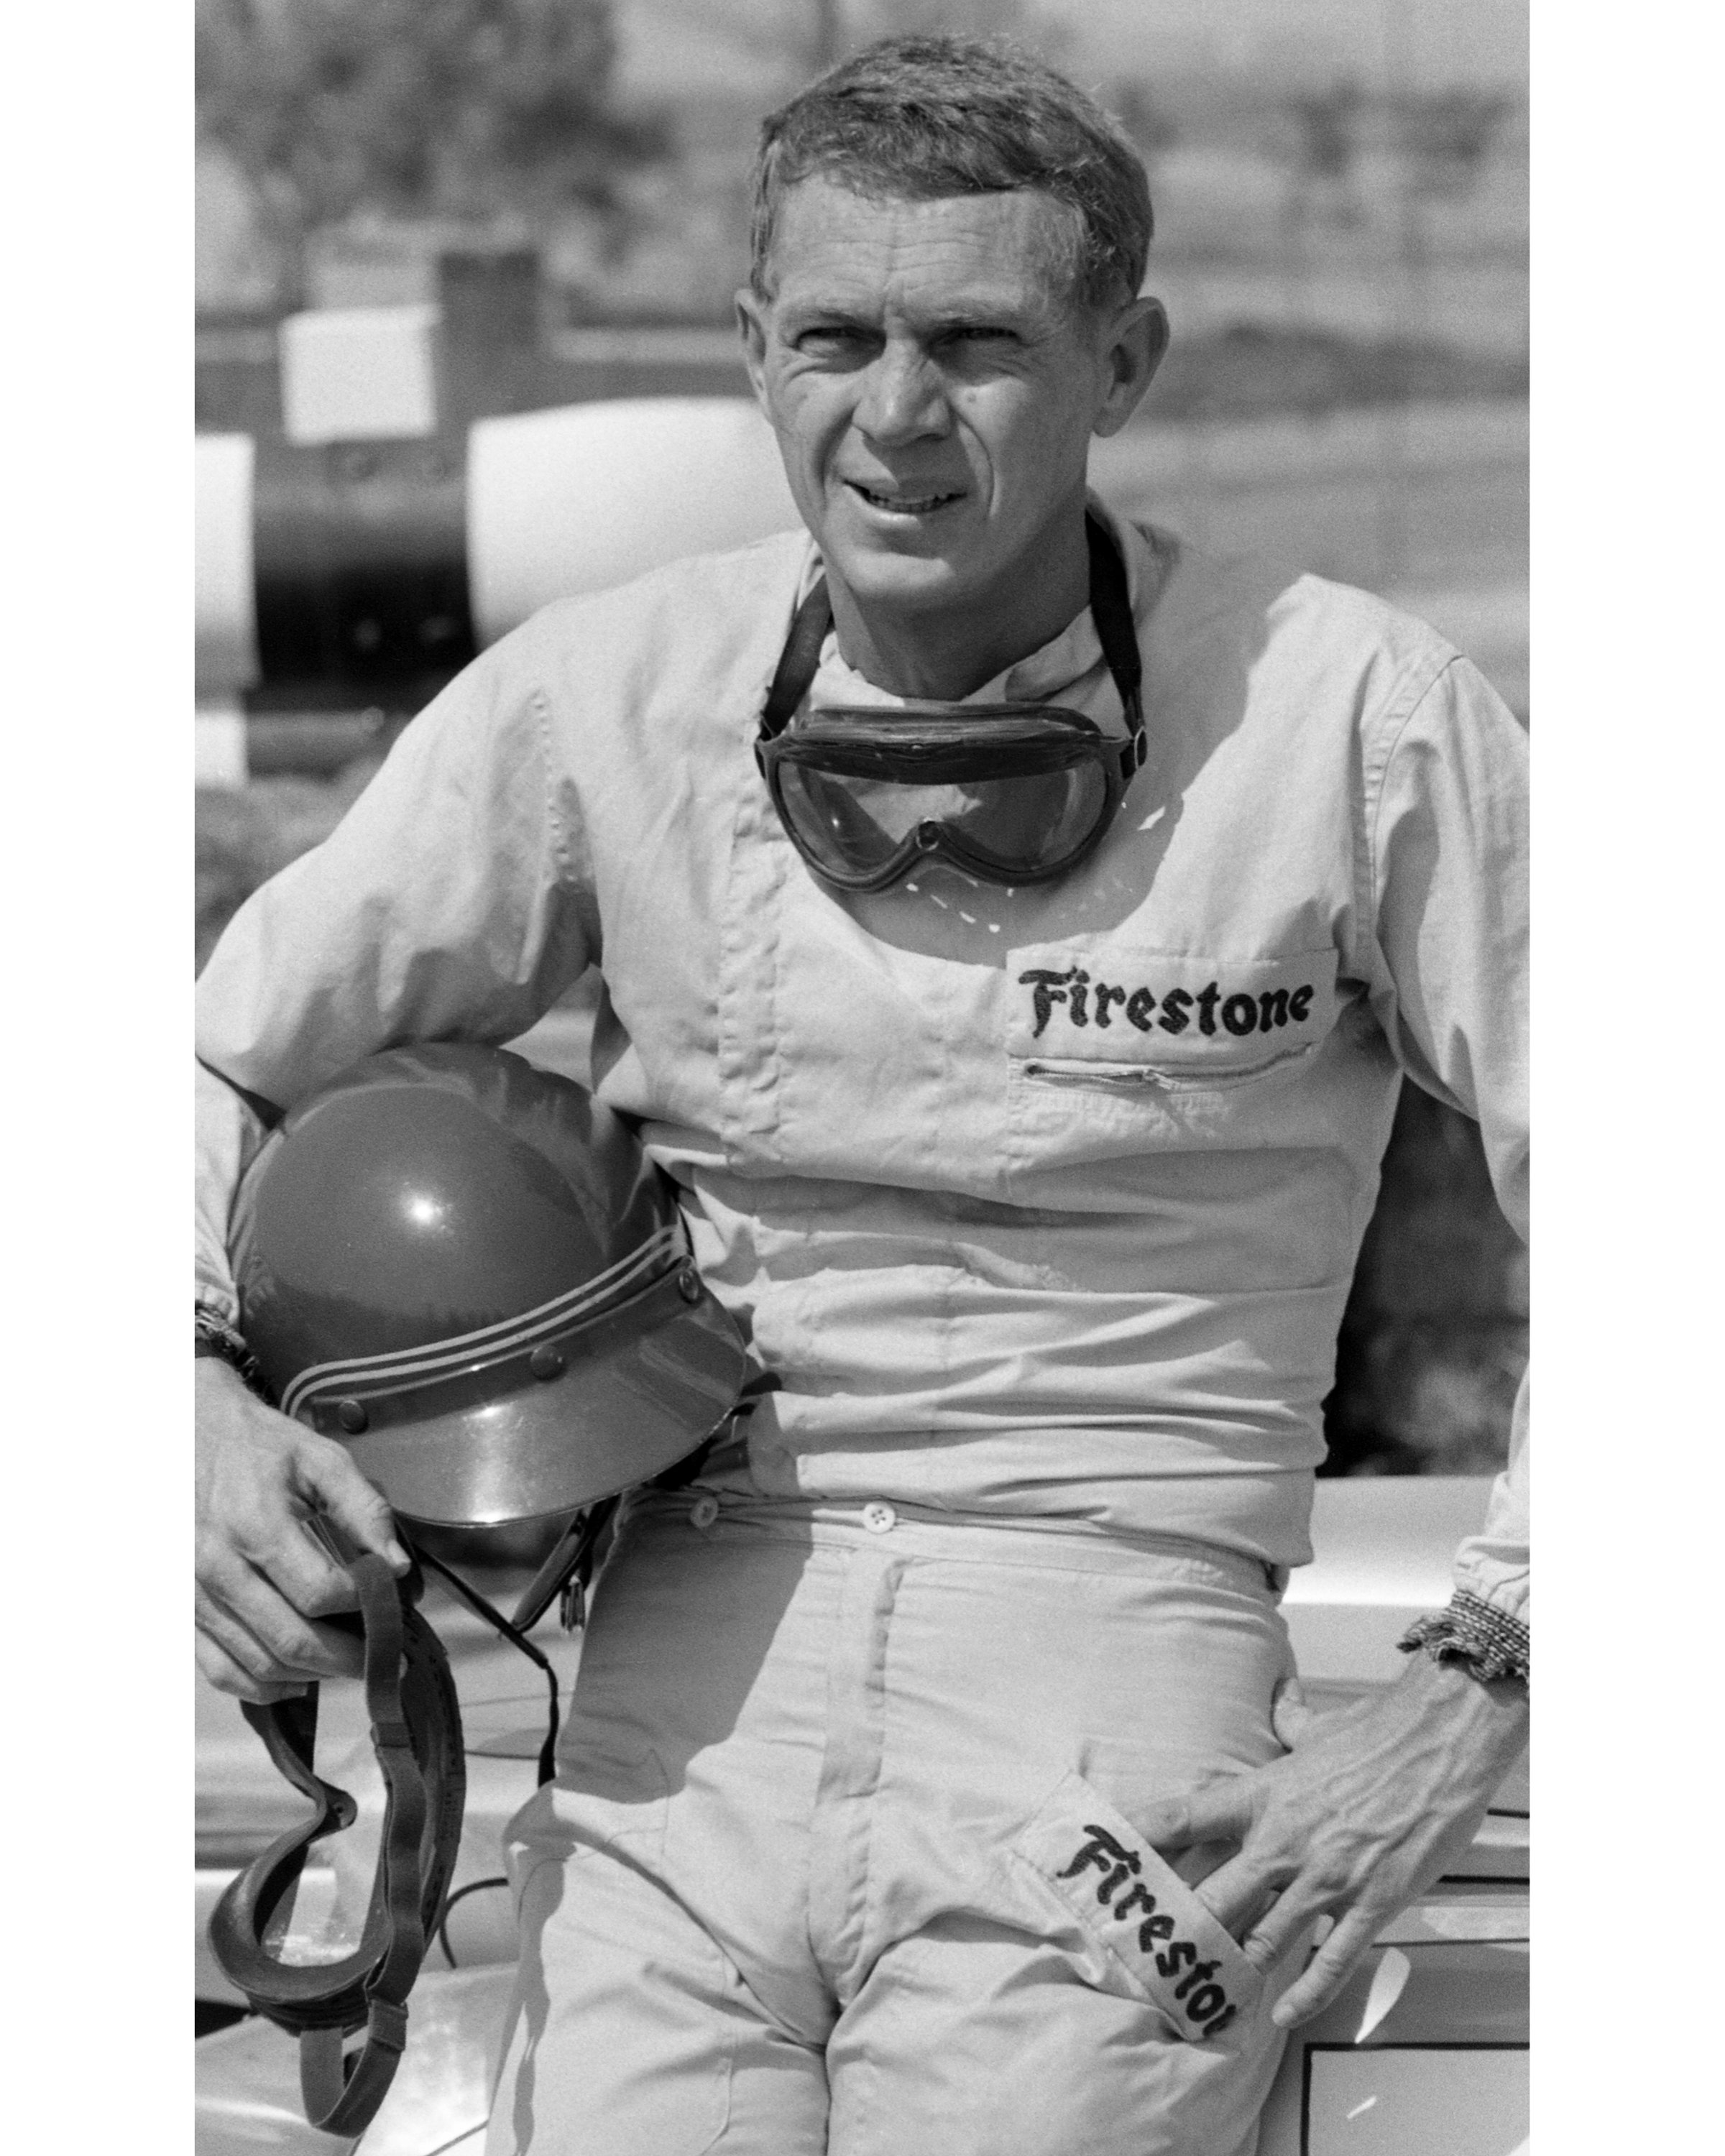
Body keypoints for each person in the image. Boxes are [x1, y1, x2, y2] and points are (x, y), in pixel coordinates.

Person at [194, 36, 1528, 2156]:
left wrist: (1473, 1694)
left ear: (1127, 362)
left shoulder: (1354, 714)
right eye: (836, 336)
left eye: (980, 343)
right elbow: (210, 1047)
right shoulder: (603, 693)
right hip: (672, 1677)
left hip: (1120, 1649)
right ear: (752, 349)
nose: (895, 417)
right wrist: (180, 1383)